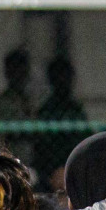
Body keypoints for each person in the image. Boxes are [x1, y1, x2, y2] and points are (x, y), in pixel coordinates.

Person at [33, 56, 88, 189]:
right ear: (52, 80)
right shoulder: (46, 109)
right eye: (58, 76)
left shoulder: (76, 108)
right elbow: (40, 145)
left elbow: (84, 138)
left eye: (66, 76)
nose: (63, 81)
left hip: (75, 161)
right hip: (49, 167)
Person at [0, 48, 34, 165]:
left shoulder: (33, 100)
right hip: (7, 159)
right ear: (7, 72)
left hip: (30, 159)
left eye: (22, 69)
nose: (18, 73)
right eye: (14, 69)